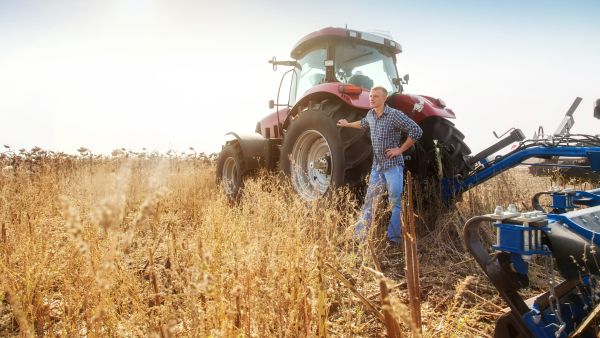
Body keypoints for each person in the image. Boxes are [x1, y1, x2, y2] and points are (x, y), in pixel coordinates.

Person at [337, 86, 422, 246]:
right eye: (370, 96)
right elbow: (363, 124)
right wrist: (347, 124)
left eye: (375, 96)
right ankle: (359, 236)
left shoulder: (395, 115)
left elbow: (416, 131)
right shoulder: (371, 114)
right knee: (370, 201)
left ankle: (394, 239)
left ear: (384, 98)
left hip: (393, 167)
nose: (371, 98)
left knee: (395, 202)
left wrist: (400, 149)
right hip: (377, 168)